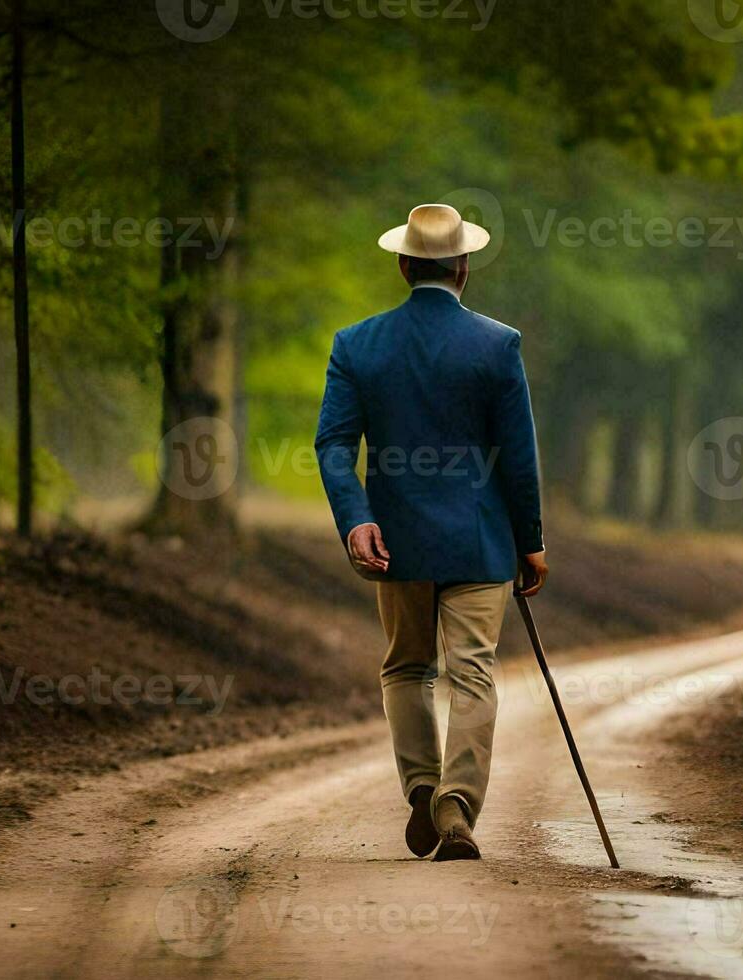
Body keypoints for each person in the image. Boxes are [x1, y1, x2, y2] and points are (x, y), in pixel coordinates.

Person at [314, 203, 549, 862]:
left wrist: (357, 519)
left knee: (407, 668)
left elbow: (334, 444)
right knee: (472, 673)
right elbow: (519, 454)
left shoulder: (356, 344)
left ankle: (421, 786)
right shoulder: (498, 345)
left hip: (398, 542)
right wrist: (529, 540)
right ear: (464, 266)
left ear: (404, 264)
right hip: (481, 542)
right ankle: (458, 804)